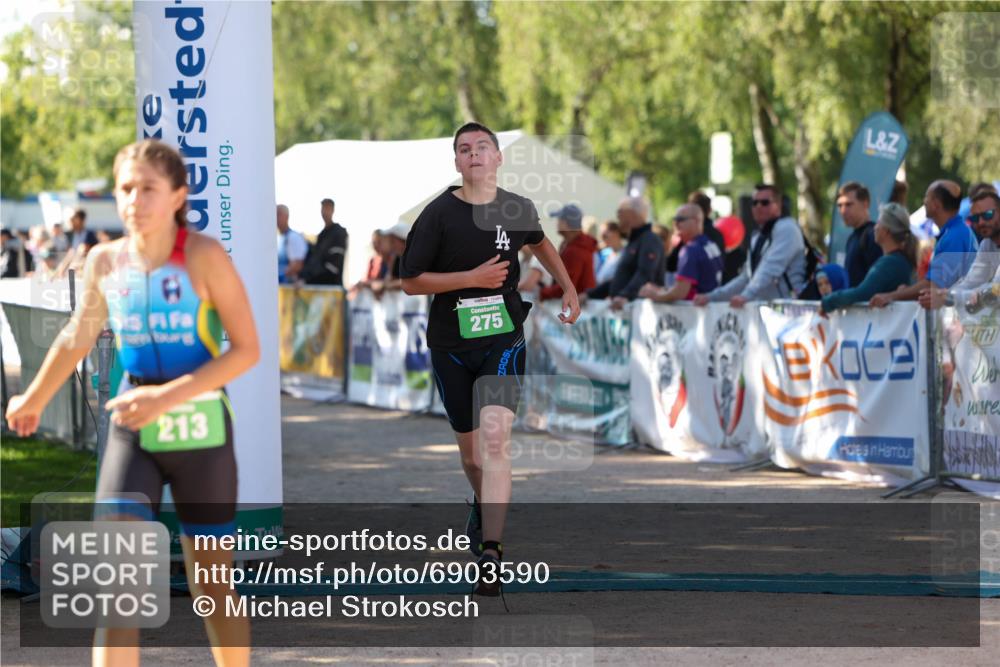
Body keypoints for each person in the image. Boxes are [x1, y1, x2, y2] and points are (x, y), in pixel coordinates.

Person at [6, 139, 257, 667]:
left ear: (178, 196)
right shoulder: (104, 260)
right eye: (125, 188)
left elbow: (248, 349)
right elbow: (78, 335)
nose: (134, 200)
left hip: (201, 428)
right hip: (131, 428)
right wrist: (33, 396)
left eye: (148, 188)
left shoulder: (205, 256)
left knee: (209, 589)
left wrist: (167, 396)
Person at [399, 122, 580, 597]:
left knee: (497, 440)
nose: (474, 154)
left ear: (498, 158)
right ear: (456, 162)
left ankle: (493, 553)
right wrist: (470, 278)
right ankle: (482, 506)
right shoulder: (437, 214)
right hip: (449, 346)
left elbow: (540, 243)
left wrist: (568, 285)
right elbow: (412, 281)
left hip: (503, 338)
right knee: (472, 453)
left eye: (482, 147)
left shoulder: (516, 207)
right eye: (464, 149)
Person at [694, 184, 807, 308]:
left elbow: (771, 267)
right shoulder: (758, 236)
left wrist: (746, 295)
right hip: (765, 312)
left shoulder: (787, 228)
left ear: (778, 205)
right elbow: (747, 277)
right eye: (754, 203)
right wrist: (711, 297)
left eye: (765, 202)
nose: (758, 206)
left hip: (789, 312)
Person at [871, 180, 978, 307]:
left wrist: (891, 296)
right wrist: (908, 290)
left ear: (936, 205)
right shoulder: (956, 232)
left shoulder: (955, 236)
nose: (924, 201)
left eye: (926, 197)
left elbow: (933, 285)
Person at [820, 203, 917, 313]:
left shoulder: (889, 263)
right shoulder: (900, 260)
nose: (875, 227)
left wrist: (828, 301)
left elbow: (861, 293)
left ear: (886, 231)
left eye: (878, 223)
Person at [919, 188, 1000, 310]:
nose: (981, 222)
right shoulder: (987, 244)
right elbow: (972, 281)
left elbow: (995, 290)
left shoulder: (957, 234)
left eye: (988, 214)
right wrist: (946, 295)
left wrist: (946, 297)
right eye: (975, 218)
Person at [586, 195, 664, 310]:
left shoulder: (649, 240)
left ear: (631, 213)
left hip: (640, 314)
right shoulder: (634, 242)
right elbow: (621, 279)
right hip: (626, 312)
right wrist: (589, 294)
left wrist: (624, 296)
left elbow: (645, 273)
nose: (617, 216)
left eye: (620, 211)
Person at [639, 203, 723, 302]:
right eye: (675, 220)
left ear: (696, 221)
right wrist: (661, 290)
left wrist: (654, 295)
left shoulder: (690, 250)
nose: (676, 224)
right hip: (710, 309)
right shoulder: (710, 243)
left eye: (680, 220)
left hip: (694, 312)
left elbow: (680, 293)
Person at [539, 204, 596, 301]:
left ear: (566, 223)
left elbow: (567, 287)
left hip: (578, 308)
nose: (557, 224)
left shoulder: (575, 250)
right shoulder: (573, 245)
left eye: (559, 220)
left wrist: (543, 292)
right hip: (580, 306)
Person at [837, 181, 882, 287]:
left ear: (865, 204)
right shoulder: (852, 238)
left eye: (849, 204)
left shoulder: (874, 235)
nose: (843, 211)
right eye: (840, 206)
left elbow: (878, 281)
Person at [301, 197, 348, 286]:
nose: (324, 212)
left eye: (327, 208)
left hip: (331, 288)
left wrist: (310, 279)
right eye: (323, 208)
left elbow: (333, 267)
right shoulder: (322, 235)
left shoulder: (338, 233)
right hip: (319, 287)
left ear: (333, 210)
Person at [276, 204, 308, 284]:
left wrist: (278, 275)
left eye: (278, 214)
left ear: (286, 217)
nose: (275, 218)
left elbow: (297, 265)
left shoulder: (293, 237)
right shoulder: (279, 238)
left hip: (290, 288)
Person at [594, 221, 624, 285]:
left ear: (616, 233)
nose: (602, 238)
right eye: (601, 236)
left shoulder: (626, 254)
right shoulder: (604, 254)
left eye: (604, 235)